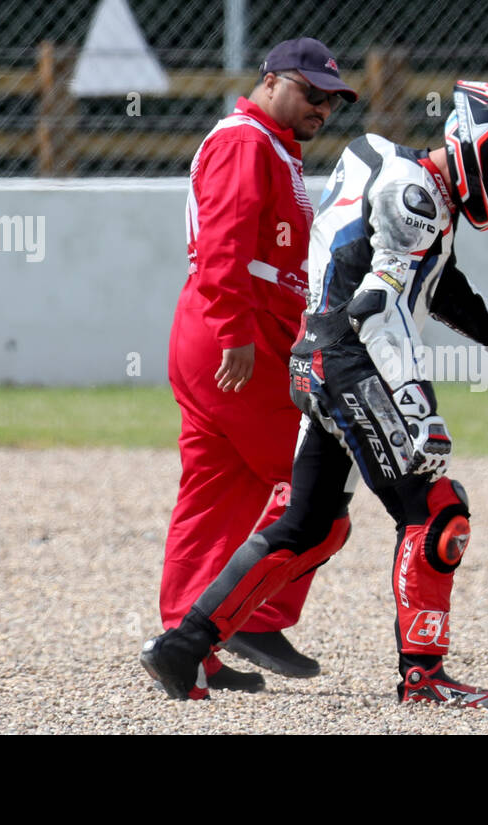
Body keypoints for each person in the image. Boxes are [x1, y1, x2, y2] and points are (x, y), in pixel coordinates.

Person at [142, 80, 488, 708]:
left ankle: (184, 646)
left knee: (311, 526)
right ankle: (424, 678)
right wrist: (416, 405)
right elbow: (378, 308)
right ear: (483, 150)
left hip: (317, 357)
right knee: (436, 511)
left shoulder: (396, 171)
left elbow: (436, 282)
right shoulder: (416, 196)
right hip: (353, 365)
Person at [159, 37, 357, 699]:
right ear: (270, 80)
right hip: (232, 339)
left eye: (331, 99)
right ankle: (258, 617)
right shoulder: (248, 141)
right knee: (319, 491)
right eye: (311, 91)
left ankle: (182, 646)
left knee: (215, 496)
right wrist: (237, 333)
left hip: (211, 335)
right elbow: (225, 245)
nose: (322, 107)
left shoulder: (263, 143)